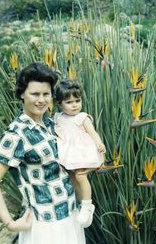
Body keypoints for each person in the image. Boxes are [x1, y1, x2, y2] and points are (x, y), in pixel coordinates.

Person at [0, 62, 85, 244]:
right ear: (22, 94)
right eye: (35, 94)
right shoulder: (17, 134)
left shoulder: (53, 124)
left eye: (46, 94)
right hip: (44, 224)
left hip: (69, 213)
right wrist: (10, 223)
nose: (41, 100)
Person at [54, 79, 106, 228]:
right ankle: (79, 202)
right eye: (69, 102)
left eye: (77, 100)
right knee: (72, 177)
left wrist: (99, 143)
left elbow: (92, 132)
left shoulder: (82, 117)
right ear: (60, 104)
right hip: (68, 154)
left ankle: (87, 205)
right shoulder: (59, 117)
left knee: (80, 175)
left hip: (82, 152)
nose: (75, 105)